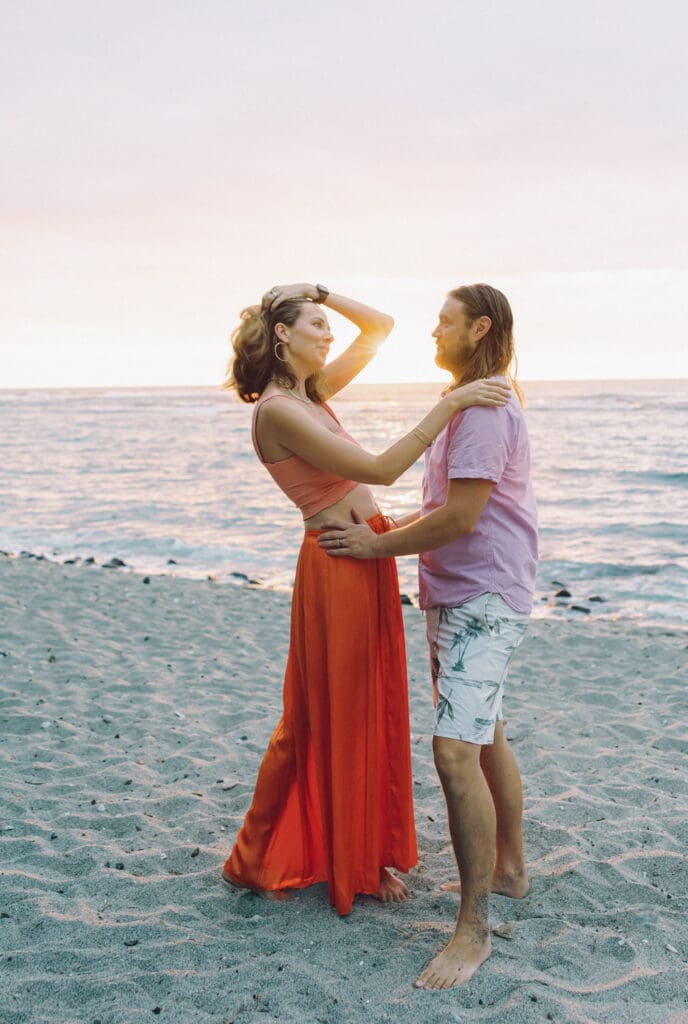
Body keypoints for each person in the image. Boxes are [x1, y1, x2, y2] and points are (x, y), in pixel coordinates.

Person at [222, 282, 511, 918]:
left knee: (371, 704)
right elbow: (379, 470)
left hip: (367, 554)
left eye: (328, 325)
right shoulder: (279, 410)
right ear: (283, 338)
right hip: (338, 565)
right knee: (328, 712)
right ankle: (289, 855)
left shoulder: (311, 395)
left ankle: (367, 850)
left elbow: (378, 326)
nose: (330, 334)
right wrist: (455, 401)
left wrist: (320, 291)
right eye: (317, 325)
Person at [318, 283, 537, 984]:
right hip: (460, 592)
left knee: (452, 754)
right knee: (484, 732)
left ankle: (472, 933)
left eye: (443, 323)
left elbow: (460, 518)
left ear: (477, 328)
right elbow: (447, 506)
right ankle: (508, 870)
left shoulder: (482, 408)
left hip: (483, 592)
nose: (432, 334)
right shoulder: (473, 399)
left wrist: (374, 549)